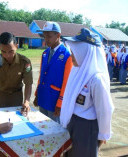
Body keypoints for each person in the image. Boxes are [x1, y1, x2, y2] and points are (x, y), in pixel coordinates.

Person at [60, 28, 114, 157]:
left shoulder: (96, 79)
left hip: (86, 129)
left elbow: (105, 110)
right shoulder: (76, 71)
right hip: (72, 123)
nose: (71, 56)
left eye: (74, 52)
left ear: (85, 53)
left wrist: (102, 137)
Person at [0, 32, 33, 116]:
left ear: (16, 46)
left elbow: (28, 83)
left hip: (17, 96)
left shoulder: (24, 62)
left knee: (17, 121)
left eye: (11, 51)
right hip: (1, 96)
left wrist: (26, 102)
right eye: (3, 51)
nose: (7, 55)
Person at [33, 21, 72, 123]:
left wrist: (60, 103)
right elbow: (41, 76)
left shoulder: (67, 54)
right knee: (42, 126)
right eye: (44, 37)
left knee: (55, 131)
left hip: (54, 101)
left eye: (49, 36)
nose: (46, 40)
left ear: (58, 35)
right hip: (43, 97)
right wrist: (37, 94)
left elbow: (66, 82)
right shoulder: (45, 53)